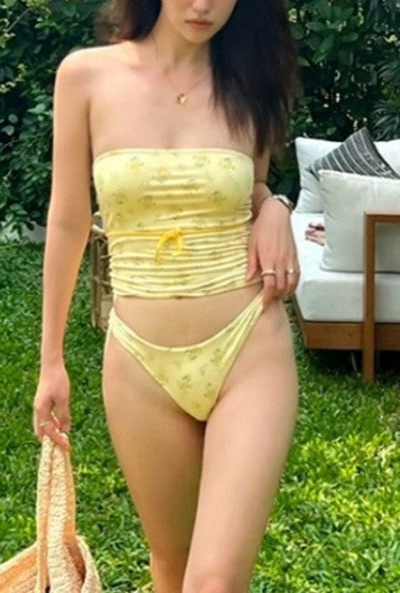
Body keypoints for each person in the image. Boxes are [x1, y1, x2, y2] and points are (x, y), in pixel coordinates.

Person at [33, 1, 302, 591]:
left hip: (248, 349)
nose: (203, 5)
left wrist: (276, 207)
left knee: (213, 581)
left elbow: (252, 186)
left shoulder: (250, 78)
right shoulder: (85, 76)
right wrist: (52, 361)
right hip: (139, 363)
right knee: (171, 565)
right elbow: (68, 221)